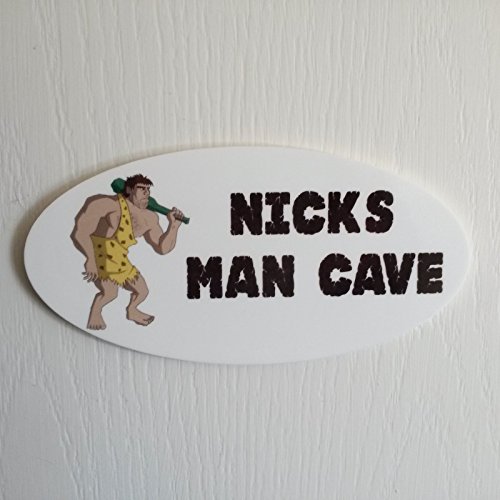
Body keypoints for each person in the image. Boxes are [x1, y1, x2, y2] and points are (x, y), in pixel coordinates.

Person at [70, 174, 184, 330]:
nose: (146, 193)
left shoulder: (149, 217)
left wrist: (174, 227)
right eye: (141, 188)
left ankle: (132, 310)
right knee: (110, 293)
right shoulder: (107, 204)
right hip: (100, 253)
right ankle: (95, 313)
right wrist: (90, 259)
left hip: (120, 258)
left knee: (143, 291)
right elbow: (80, 232)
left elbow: (162, 248)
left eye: (148, 189)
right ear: (129, 190)